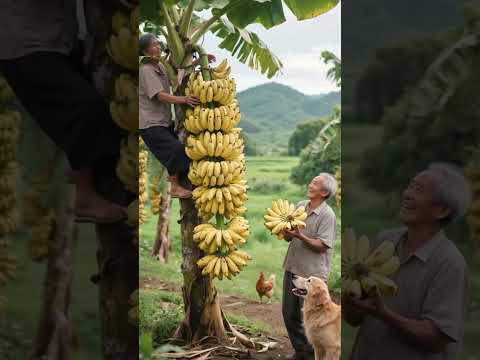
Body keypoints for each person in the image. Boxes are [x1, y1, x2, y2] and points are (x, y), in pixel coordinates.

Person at [0, 1, 128, 224]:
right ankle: (84, 197)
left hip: (54, 42)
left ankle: (85, 177)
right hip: (25, 47)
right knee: (85, 109)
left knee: (98, 110)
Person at [344, 163, 471, 360]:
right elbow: (354, 319)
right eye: (410, 186)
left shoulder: (450, 263)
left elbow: (436, 339)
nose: (407, 194)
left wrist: (384, 314)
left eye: (418, 190)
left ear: (442, 210)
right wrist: (350, 300)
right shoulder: (385, 242)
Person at [139, 33, 215, 198]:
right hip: (150, 125)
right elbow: (160, 95)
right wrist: (184, 99)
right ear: (145, 51)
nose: (158, 47)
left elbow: (178, 77)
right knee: (177, 149)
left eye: (158, 44)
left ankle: (180, 185)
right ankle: (174, 187)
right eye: (154, 45)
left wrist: (199, 61)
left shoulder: (160, 67)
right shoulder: (145, 70)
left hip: (164, 122)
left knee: (179, 150)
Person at [281, 173, 338, 360]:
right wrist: (287, 233)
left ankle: (316, 351)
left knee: (315, 316)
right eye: (312, 181)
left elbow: (322, 245)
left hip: (313, 275)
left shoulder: (327, 215)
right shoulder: (300, 206)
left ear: (323, 192)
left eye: (315, 183)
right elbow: (290, 237)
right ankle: (302, 351)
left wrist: (300, 236)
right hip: (293, 266)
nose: (310, 184)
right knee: (289, 314)